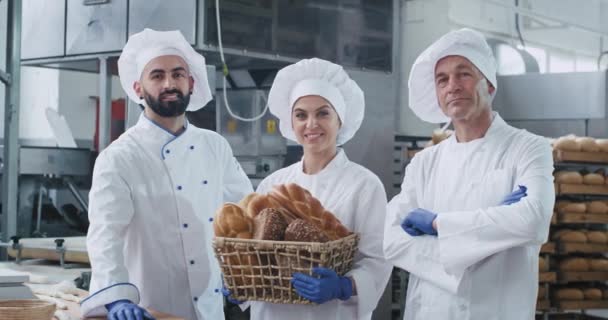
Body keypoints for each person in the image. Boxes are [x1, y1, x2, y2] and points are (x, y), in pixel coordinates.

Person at [80, 29, 253, 320]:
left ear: (191, 82)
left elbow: (245, 215)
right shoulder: (119, 157)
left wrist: (241, 272)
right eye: (157, 76)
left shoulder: (214, 146)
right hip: (151, 308)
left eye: (178, 74)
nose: (170, 83)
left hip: (212, 307)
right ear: (138, 88)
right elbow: (105, 235)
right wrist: (117, 299)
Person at [383, 28, 555, 320]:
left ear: (488, 85)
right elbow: (391, 239)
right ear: (438, 95)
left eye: (463, 74)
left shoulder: (528, 148)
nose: (452, 86)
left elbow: (534, 221)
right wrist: (493, 226)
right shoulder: (424, 162)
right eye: (442, 79)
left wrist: (438, 224)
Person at [226, 58, 391, 319]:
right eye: (301, 115)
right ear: (291, 123)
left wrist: (344, 286)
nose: (311, 124)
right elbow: (257, 255)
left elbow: (378, 259)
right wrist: (239, 284)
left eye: (323, 113)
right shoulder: (273, 184)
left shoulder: (364, 184)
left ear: (340, 120)